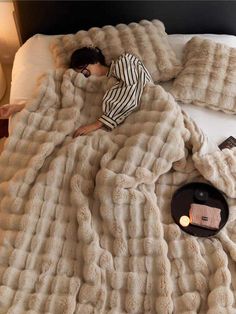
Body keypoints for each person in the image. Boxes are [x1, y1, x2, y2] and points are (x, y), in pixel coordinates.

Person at [70, 47, 153, 137]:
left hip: (149, 108)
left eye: (85, 72)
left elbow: (131, 91)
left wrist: (96, 124)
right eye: (82, 76)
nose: (85, 77)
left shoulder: (124, 61)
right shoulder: (99, 87)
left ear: (94, 60)